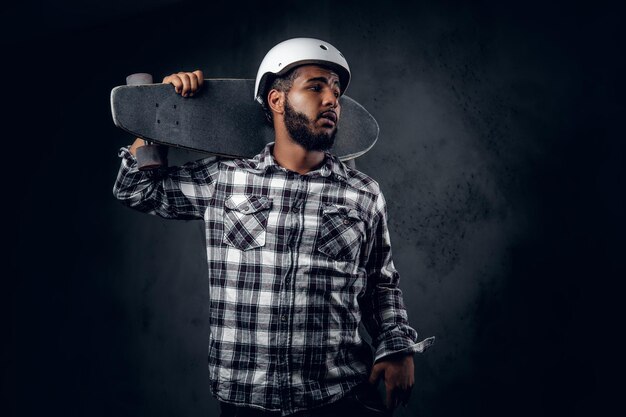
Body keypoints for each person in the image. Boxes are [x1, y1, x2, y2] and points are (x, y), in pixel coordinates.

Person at [113, 38, 433, 417]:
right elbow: (136, 190)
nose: (331, 99)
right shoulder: (225, 180)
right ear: (276, 101)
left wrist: (395, 347)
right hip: (246, 401)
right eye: (315, 87)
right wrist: (156, 117)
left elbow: (380, 283)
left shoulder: (363, 194)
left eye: (336, 91)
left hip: (336, 397)